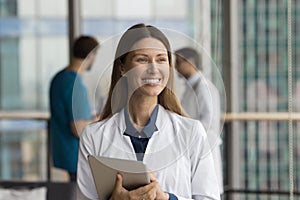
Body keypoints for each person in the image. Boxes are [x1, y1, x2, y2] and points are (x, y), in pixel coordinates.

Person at [77, 24, 220, 200]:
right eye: (142, 60)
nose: (153, 68)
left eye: (161, 59)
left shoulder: (191, 132)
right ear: (122, 68)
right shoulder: (94, 137)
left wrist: (167, 199)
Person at [49, 36, 99, 182]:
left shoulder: (59, 78)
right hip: (75, 155)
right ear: (91, 55)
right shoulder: (75, 84)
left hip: (63, 152)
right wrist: (98, 120)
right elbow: (78, 128)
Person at [175, 47, 223, 194]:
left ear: (189, 62)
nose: (176, 68)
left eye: (178, 62)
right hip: (194, 149)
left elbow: (209, 122)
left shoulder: (204, 87)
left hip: (205, 148)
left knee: (206, 191)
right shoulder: (191, 88)